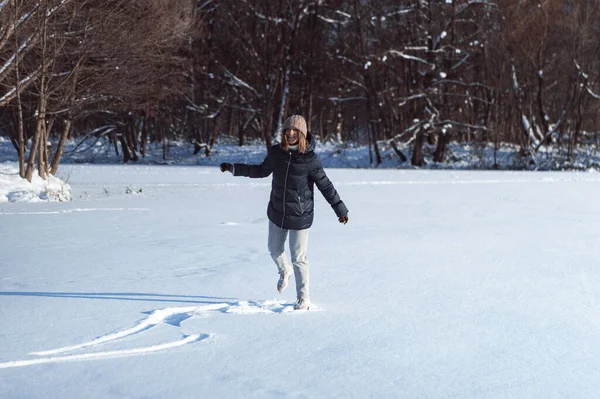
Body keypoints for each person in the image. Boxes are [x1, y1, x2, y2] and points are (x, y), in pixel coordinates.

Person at [220, 115, 349, 310]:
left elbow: (325, 185)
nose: (290, 133)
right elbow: (261, 171)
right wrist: (234, 168)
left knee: (299, 258)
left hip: (300, 215)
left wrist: (339, 208)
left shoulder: (310, 160)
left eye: (294, 131)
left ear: (302, 134)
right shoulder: (276, 153)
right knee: (274, 249)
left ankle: (303, 298)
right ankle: (284, 270)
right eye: (287, 130)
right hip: (277, 211)